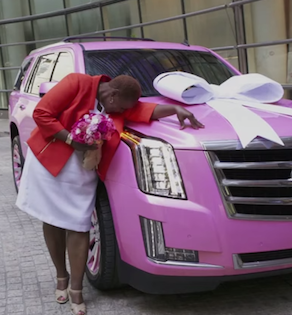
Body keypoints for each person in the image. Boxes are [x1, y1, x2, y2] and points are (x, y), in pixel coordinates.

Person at [15, 73, 203, 315]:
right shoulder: (77, 83)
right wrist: (71, 140)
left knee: (79, 224)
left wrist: (176, 109)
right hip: (49, 161)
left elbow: (145, 110)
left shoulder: (117, 105)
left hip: (83, 169)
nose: (125, 111)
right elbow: (42, 113)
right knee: (51, 220)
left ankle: (76, 288)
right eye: (123, 106)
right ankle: (61, 276)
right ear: (113, 95)